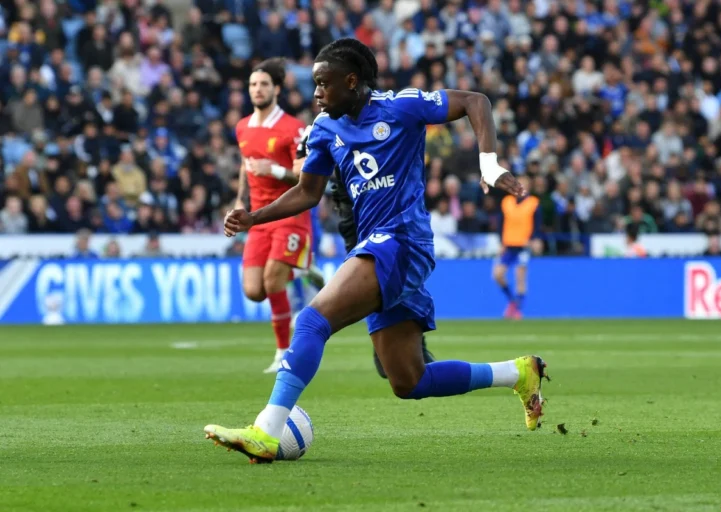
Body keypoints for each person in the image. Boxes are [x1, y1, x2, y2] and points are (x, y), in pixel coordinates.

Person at [205, 39, 548, 463]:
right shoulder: (325, 130)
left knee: (313, 320)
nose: (315, 94)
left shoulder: (401, 107)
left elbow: (475, 101)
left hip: (402, 241)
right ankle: (518, 373)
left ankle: (267, 430)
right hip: (381, 247)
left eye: (323, 84)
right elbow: (307, 192)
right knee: (409, 381)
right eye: (313, 85)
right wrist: (254, 217)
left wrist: (489, 163)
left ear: (352, 81)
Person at [294, 123, 436, 378]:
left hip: (389, 222)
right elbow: (300, 169)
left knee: (315, 321)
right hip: (353, 223)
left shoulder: (383, 118)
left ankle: (411, 342)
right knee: (394, 370)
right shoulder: (318, 129)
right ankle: (402, 346)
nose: (321, 92)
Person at [234, 58, 324, 373]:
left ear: (275, 89)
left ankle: (283, 353)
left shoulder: (294, 129)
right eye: (253, 85)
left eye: (263, 84)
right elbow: (245, 168)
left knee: (273, 280)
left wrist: (272, 169)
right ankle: (302, 270)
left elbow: (303, 177)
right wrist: (237, 201)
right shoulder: (242, 127)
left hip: (288, 212)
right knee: (254, 291)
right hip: (258, 218)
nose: (257, 90)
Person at [492, 175, 539, 319]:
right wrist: (501, 242)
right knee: (498, 274)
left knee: (520, 275)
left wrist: (534, 240)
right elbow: (501, 224)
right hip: (508, 244)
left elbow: (537, 224)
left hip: (523, 245)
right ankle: (513, 301)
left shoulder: (533, 203)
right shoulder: (507, 202)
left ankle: (517, 310)